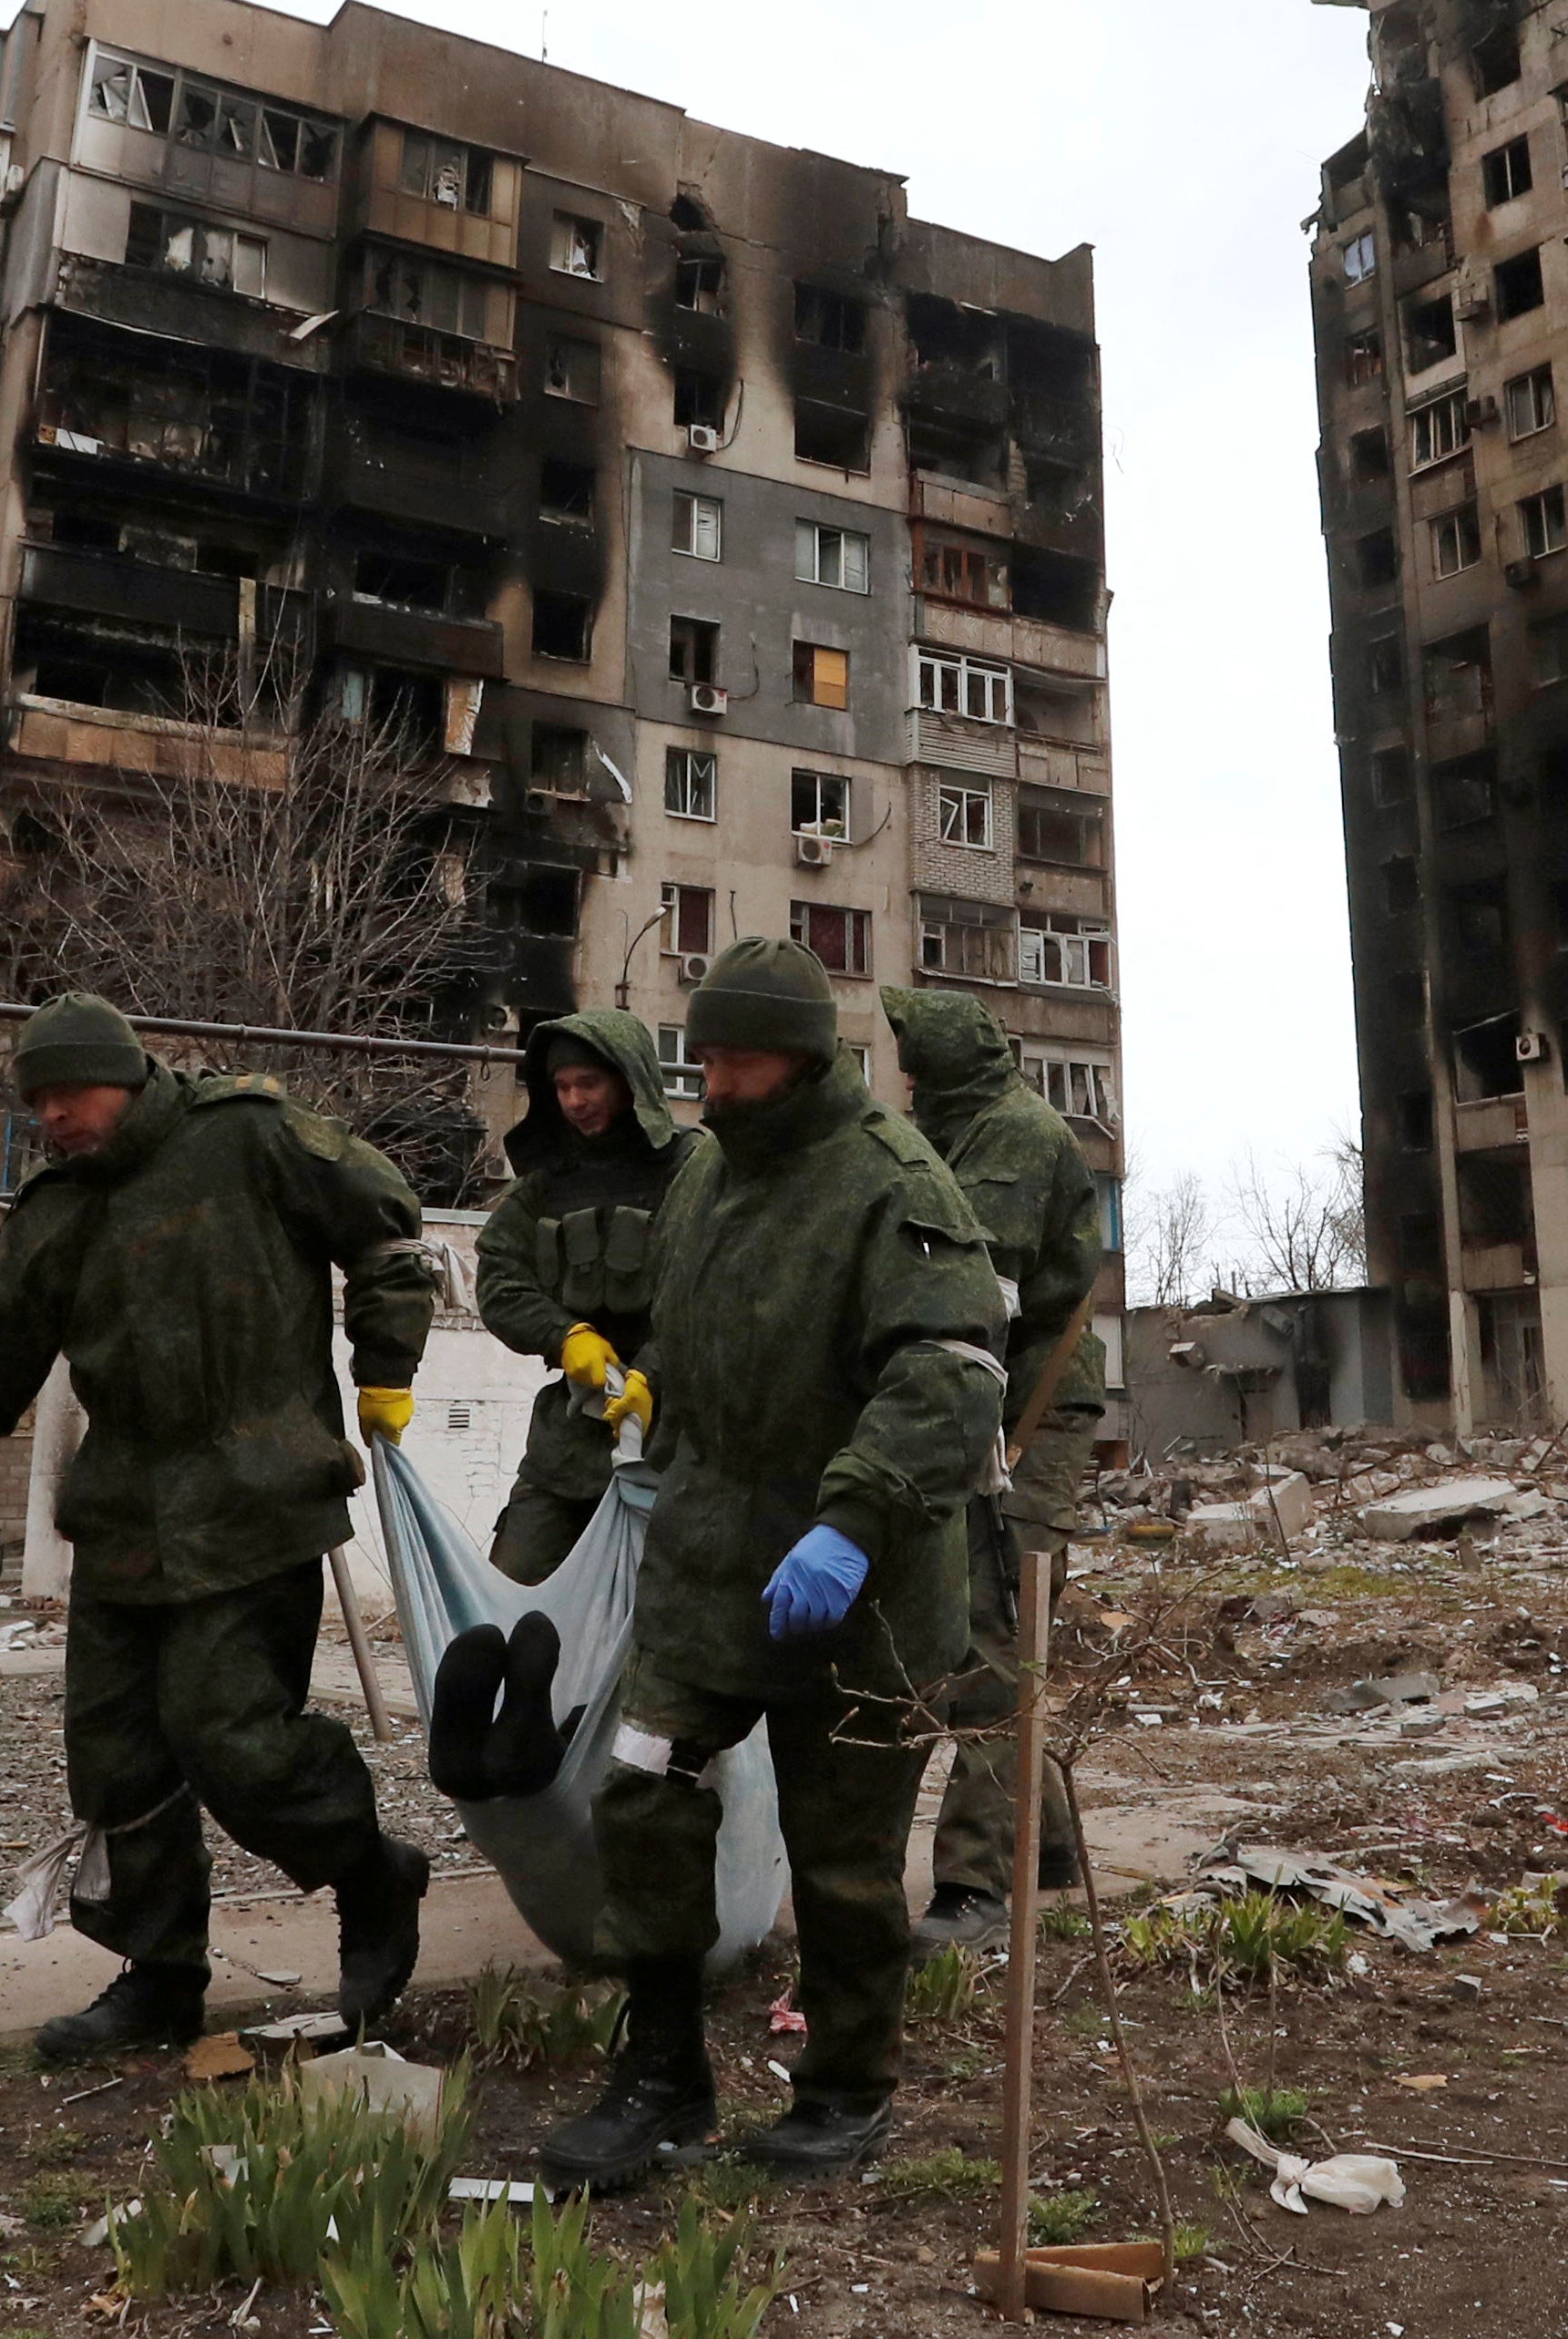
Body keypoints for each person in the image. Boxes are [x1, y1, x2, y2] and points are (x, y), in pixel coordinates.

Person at [0, 992, 440, 2063]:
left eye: (66, 1094)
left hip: (255, 1500)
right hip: (125, 1518)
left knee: (236, 1738)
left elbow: (386, 1223)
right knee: (117, 1762)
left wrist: (388, 1362)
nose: (50, 1117)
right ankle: (161, 1974)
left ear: (123, 1078)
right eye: (35, 1101)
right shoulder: (58, 1209)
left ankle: (371, 1871)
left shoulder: (249, 1136)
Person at [539, 939, 1004, 2194]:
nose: (713, 1080)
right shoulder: (704, 1180)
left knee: (842, 1858)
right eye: (703, 1056)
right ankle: (661, 2075)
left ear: (799, 1059)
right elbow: (691, 1338)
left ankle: (847, 2090)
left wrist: (851, 1520)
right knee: (641, 1793)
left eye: (735, 1058)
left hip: (863, 1584)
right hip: (708, 1562)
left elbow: (950, 1380)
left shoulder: (890, 1186)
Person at [880, 986, 1107, 1954]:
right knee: (1004, 1631)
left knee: (995, 1640)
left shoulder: (1012, 1136)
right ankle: (1045, 1851)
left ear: (941, 1067)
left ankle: (977, 1887)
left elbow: (976, 1291)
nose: (903, 1078)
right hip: (980, 1400)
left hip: (1029, 1410)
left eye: (912, 1061)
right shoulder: (954, 1131)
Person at [470, 1010, 693, 1583]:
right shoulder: (546, 1186)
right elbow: (498, 1276)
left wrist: (655, 1372)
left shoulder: (694, 1170)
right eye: (562, 1087)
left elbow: (718, 1288)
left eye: (588, 1084)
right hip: (569, 1442)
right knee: (510, 1594)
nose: (574, 1101)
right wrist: (563, 1335)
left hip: (677, 1443)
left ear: (630, 1080)